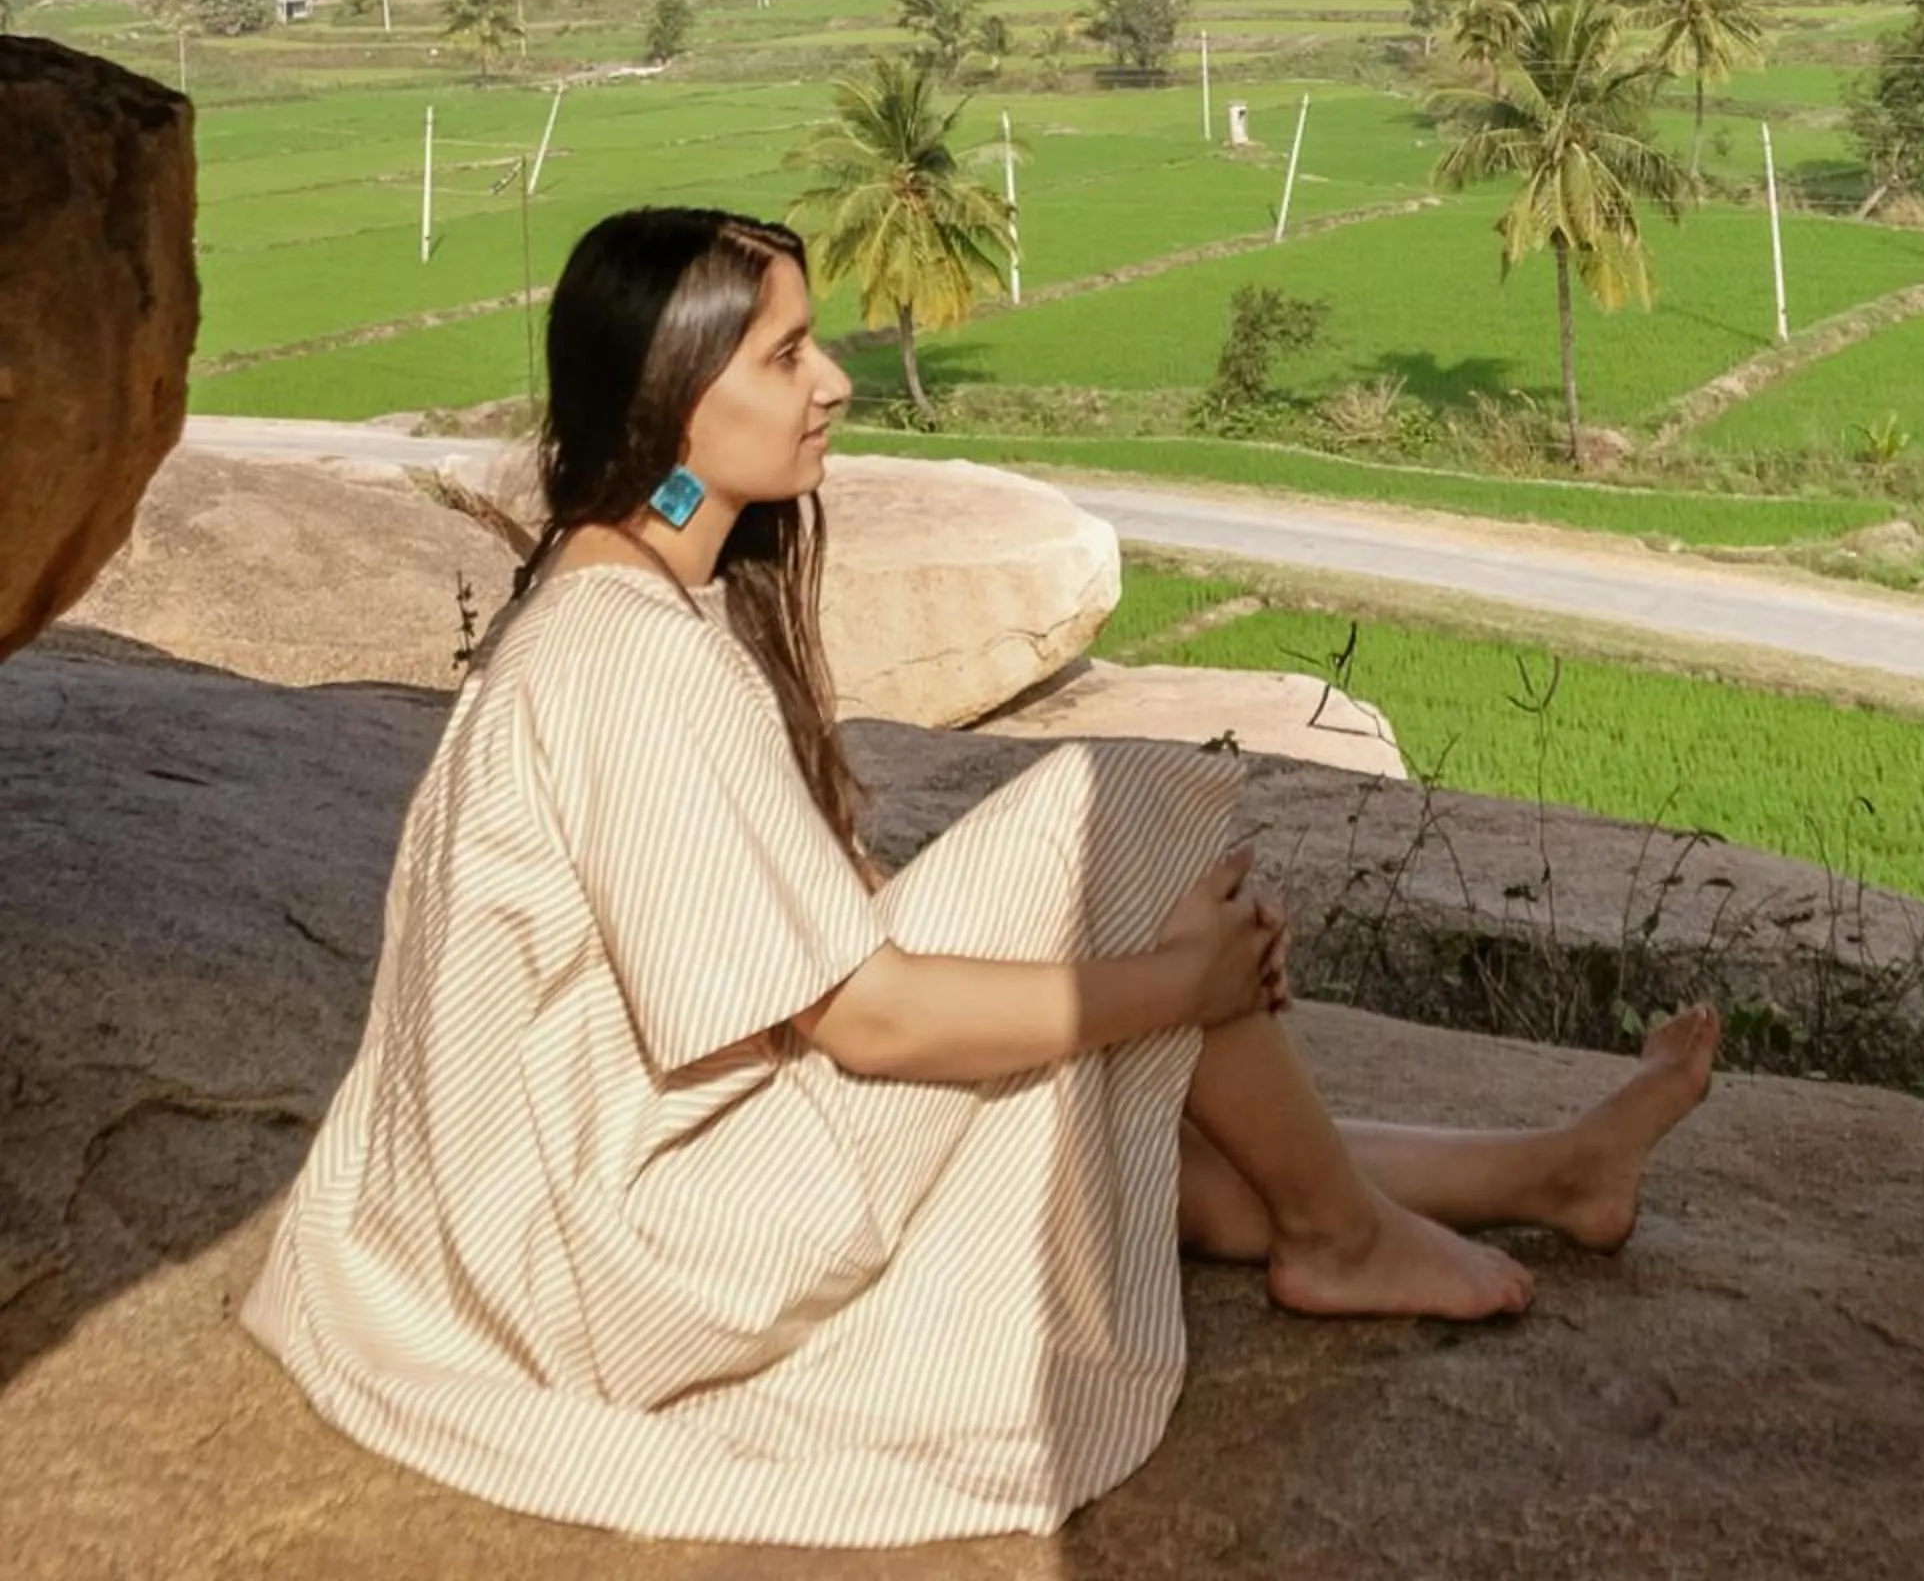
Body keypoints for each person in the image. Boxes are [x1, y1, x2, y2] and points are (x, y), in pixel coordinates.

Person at [240, 205, 1720, 1550]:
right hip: (638, 1261)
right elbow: (863, 1020)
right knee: (1114, 813)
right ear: (674, 400)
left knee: (1125, 1122)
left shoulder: (620, 604)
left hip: (591, 1213)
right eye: (788, 354)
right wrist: (1174, 983)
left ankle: (1543, 1174)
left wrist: (1156, 1006)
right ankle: (1341, 1235)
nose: (833, 385)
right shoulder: (625, 663)